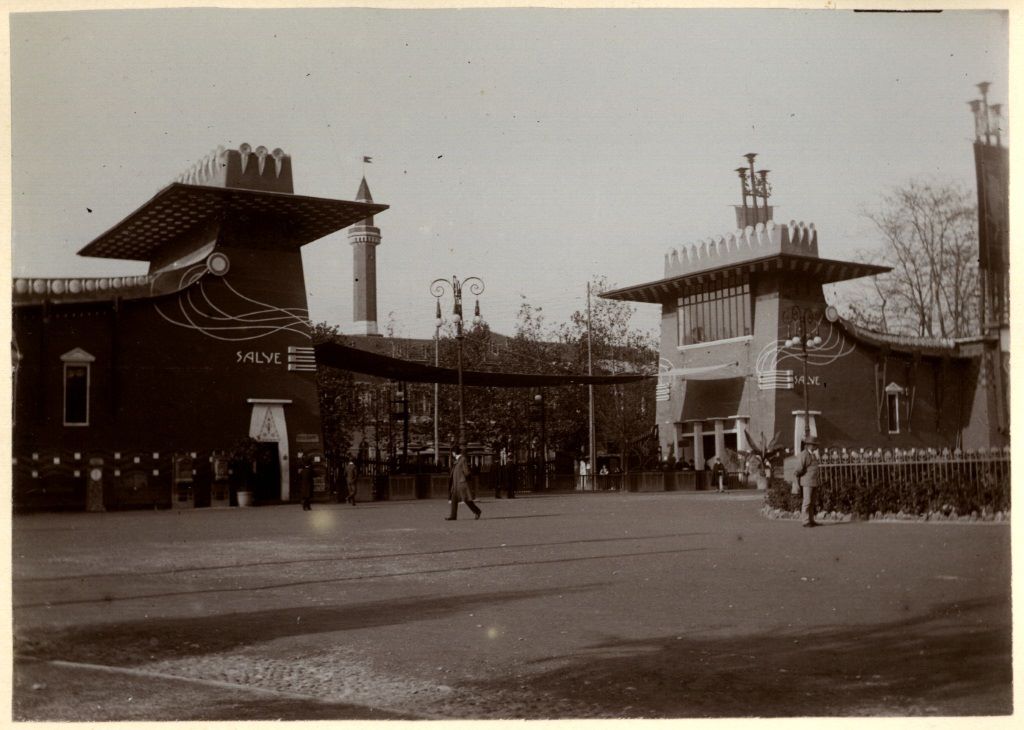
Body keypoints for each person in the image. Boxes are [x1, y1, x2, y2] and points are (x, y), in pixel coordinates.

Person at [445, 445, 481, 521]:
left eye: (452, 452)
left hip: (461, 483)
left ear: (454, 452)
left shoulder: (462, 459)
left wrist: (467, 476)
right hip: (456, 484)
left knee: (466, 499)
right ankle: (453, 515)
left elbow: (466, 471)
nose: (452, 454)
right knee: (454, 499)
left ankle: (477, 511)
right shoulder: (457, 460)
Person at [793, 435, 821, 527]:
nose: (816, 447)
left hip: (814, 481)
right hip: (807, 482)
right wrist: (797, 478)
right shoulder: (804, 454)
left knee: (812, 502)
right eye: (814, 445)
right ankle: (805, 521)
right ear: (809, 445)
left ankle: (811, 520)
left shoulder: (812, 454)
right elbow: (799, 468)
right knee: (807, 501)